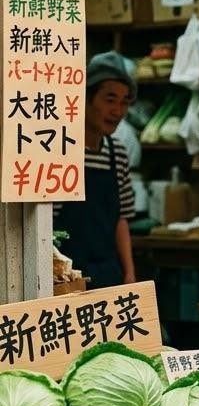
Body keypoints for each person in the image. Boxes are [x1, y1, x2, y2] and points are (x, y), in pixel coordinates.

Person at [54, 52, 137, 288]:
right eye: (110, 99)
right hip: (68, 277)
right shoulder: (62, 150)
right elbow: (48, 222)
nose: (118, 111)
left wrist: (129, 274)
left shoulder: (117, 153)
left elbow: (122, 219)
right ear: (85, 98)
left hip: (109, 274)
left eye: (124, 102)